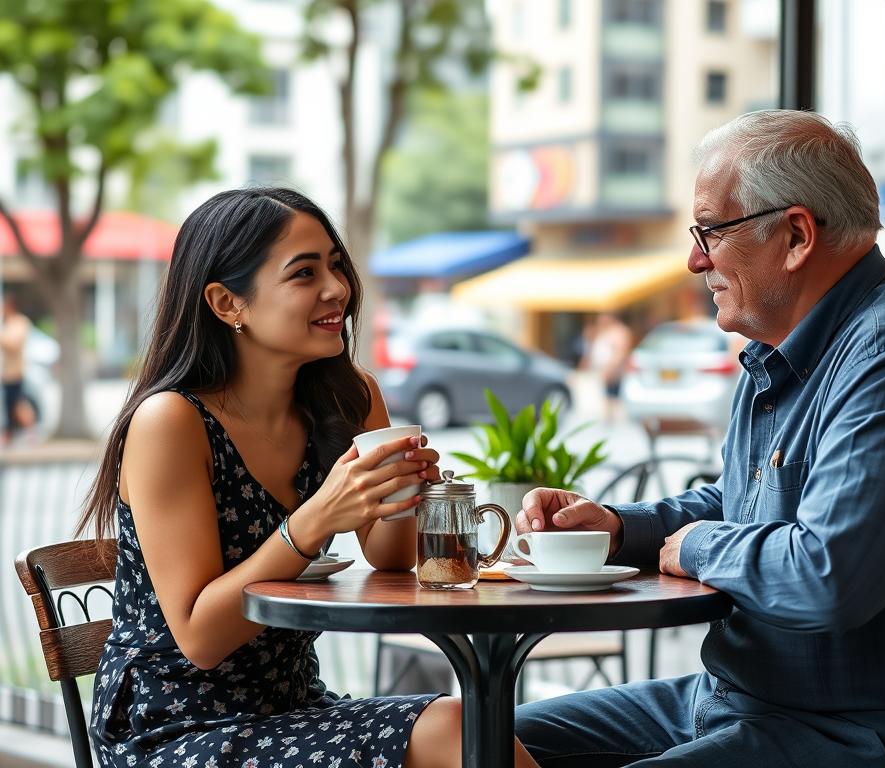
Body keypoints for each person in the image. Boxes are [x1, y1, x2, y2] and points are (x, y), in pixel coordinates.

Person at [514, 111, 885, 768]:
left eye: (710, 232)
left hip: (868, 735)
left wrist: (694, 546)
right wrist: (615, 529)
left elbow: (824, 575)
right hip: (741, 702)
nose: (694, 259)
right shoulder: (783, 352)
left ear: (795, 236)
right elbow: (742, 502)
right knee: (478, 736)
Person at [76, 188, 541, 768]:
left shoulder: (348, 394)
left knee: (473, 727)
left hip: (293, 707)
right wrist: (317, 517)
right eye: (304, 272)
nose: (338, 288)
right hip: (175, 725)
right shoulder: (171, 421)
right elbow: (198, 637)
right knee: (458, 729)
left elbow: (392, 559)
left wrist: (400, 491)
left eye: (336, 264)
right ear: (227, 303)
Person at [583, 312, 633, 421]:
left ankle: (612, 418)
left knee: (613, 397)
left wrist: (610, 369)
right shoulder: (606, 331)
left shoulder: (618, 332)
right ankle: (609, 418)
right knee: (608, 396)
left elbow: (620, 353)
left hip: (614, 371)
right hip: (606, 369)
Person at [1, 294, 36, 444]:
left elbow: (14, 343)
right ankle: (9, 434)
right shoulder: (7, 323)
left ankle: (31, 432)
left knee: (19, 403)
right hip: (7, 373)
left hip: (16, 372)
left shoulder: (20, 322)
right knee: (9, 404)